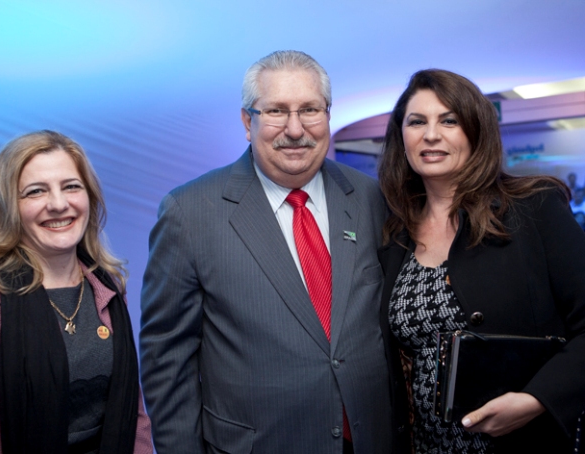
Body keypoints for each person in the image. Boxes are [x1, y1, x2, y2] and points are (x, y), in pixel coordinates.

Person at [140, 50, 401, 453]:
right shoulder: (189, 212)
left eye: (310, 109)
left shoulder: (369, 197)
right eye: (276, 111)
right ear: (248, 122)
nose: (295, 129)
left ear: (328, 114)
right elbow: (167, 359)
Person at [377, 69, 585, 453]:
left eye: (449, 121)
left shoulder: (534, 208)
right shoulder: (394, 233)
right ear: (400, 136)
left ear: (477, 131)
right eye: (417, 121)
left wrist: (536, 400)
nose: (431, 134)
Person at [0, 130, 153, 454]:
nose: (58, 204)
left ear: (89, 197)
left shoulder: (109, 288)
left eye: (71, 186)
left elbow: (134, 416)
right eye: (36, 191)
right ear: (11, 208)